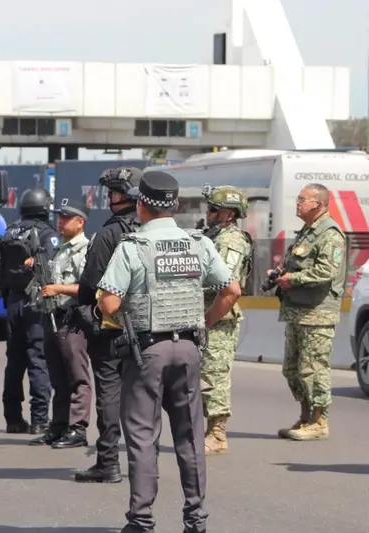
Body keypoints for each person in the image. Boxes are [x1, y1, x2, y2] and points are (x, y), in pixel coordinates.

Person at [96, 170, 241, 533]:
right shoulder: (198, 243)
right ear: (174, 206)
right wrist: (204, 323)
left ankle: (142, 520)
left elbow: (109, 303)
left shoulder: (133, 246)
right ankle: (196, 519)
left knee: (143, 438)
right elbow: (232, 290)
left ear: (141, 206)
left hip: (147, 352)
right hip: (189, 349)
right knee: (190, 437)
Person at [74, 166, 142, 483]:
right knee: (145, 398)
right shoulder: (152, 231)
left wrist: (84, 310)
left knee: (110, 394)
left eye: (113, 192)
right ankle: (146, 463)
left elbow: (90, 283)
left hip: (112, 326)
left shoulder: (109, 234)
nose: (110, 198)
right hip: (149, 328)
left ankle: (108, 462)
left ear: (123, 195)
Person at [273, 183, 347, 441]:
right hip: (297, 311)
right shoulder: (308, 232)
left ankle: (319, 421)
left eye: (303, 199)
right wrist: (282, 273)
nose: (298, 203)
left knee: (313, 368)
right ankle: (306, 417)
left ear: (319, 204)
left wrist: (293, 279)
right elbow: (298, 263)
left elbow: (327, 272)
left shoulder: (330, 233)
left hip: (317, 312)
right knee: (292, 369)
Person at [28, 198, 93, 449]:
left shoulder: (84, 250)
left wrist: (58, 289)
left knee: (77, 377)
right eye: (59, 216)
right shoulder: (59, 249)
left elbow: (87, 287)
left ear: (80, 222)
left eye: (66, 217)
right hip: (51, 317)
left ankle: (78, 428)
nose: (60, 221)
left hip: (71, 319)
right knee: (57, 377)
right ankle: (58, 426)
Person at [198, 185, 254, 455]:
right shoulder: (212, 236)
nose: (207, 214)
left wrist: (208, 318)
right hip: (205, 313)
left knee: (214, 375)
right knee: (202, 375)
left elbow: (226, 283)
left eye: (213, 210)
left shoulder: (231, 241)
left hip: (218, 317)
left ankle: (217, 433)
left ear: (229, 214)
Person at [0, 188, 59, 435]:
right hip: (36, 303)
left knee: (14, 362)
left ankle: (13, 418)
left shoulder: (10, 231)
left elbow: (1, 270)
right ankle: (39, 419)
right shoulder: (47, 234)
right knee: (38, 360)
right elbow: (52, 266)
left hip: (13, 303)